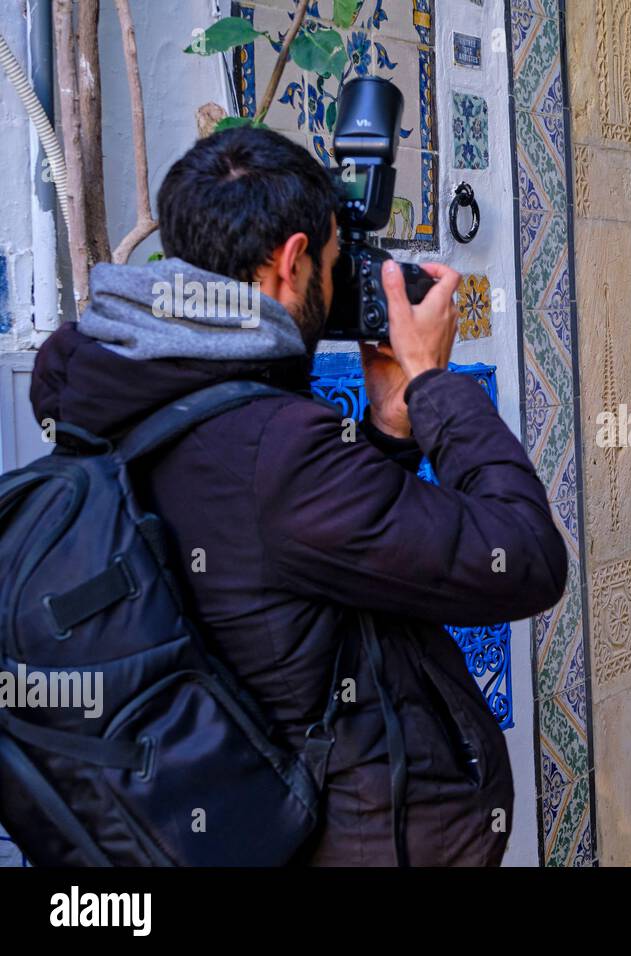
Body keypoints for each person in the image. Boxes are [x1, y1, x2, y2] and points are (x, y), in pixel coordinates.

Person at [29, 127, 567, 865]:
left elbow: (295, 560)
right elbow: (526, 558)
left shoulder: (116, 396)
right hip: (352, 839)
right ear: (291, 261)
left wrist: (385, 427)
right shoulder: (274, 447)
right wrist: (437, 386)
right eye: (335, 264)